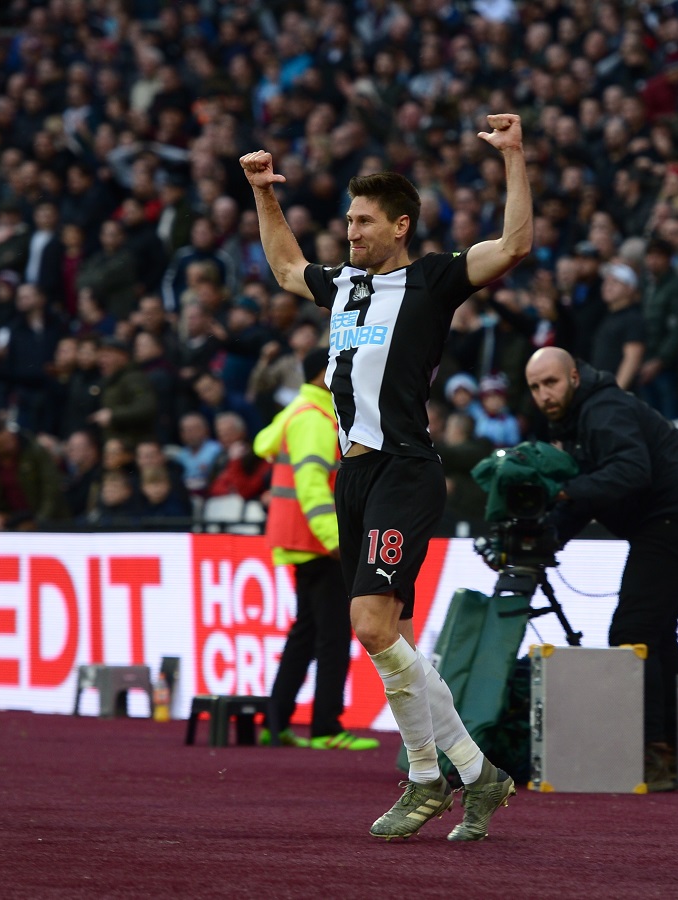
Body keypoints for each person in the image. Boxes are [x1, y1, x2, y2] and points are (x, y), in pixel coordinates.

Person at [241, 112, 529, 842]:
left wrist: (515, 156)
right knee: (390, 639)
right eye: (348, 220)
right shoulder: (341, 285)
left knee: (368, 625)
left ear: (401, 226)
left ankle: (431, 778)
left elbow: (516, 245)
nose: (352, 232)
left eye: (365, 221)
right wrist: (263, 194)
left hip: (404, 470)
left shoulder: (433, 280)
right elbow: (282, 266)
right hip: (355, 479)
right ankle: (479, 776)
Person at [525, 346, 678, 787]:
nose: (544, 394)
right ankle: (674, 750)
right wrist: (548, 537)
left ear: (575, 377)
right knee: (655, 629)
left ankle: (655, 754)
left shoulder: (603, 410)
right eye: (535, 387)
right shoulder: (580, 418)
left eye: (552, 382)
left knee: (633, 631)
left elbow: (630, 472)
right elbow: (590, 493)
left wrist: (562, 492)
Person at [254, 352, 377, 751]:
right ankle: (326, 727)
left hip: (299, 540)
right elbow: (310, 486)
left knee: (305, 634)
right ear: (325, 374)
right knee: (332, 636)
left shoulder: (300, 412)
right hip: (317, 544)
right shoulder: (315, 419)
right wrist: (335, 541)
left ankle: (276, 723)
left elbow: (263, 444)